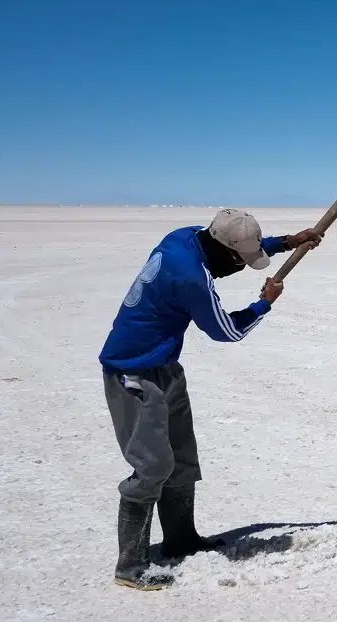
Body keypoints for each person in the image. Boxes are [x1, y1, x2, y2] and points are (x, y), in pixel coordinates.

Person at [98, 208, 322, 590]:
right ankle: (130, 564)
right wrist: (264, 303)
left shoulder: (184, 238)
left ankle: (181, 540)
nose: (240, 264)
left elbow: (225, 257)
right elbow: (226, 332)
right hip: (132, 371)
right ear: (224, 250)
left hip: (165, 366)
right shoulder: (191, 279)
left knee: (182, 459)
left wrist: (285, 243)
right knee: (152, 466)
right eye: (241, 258)